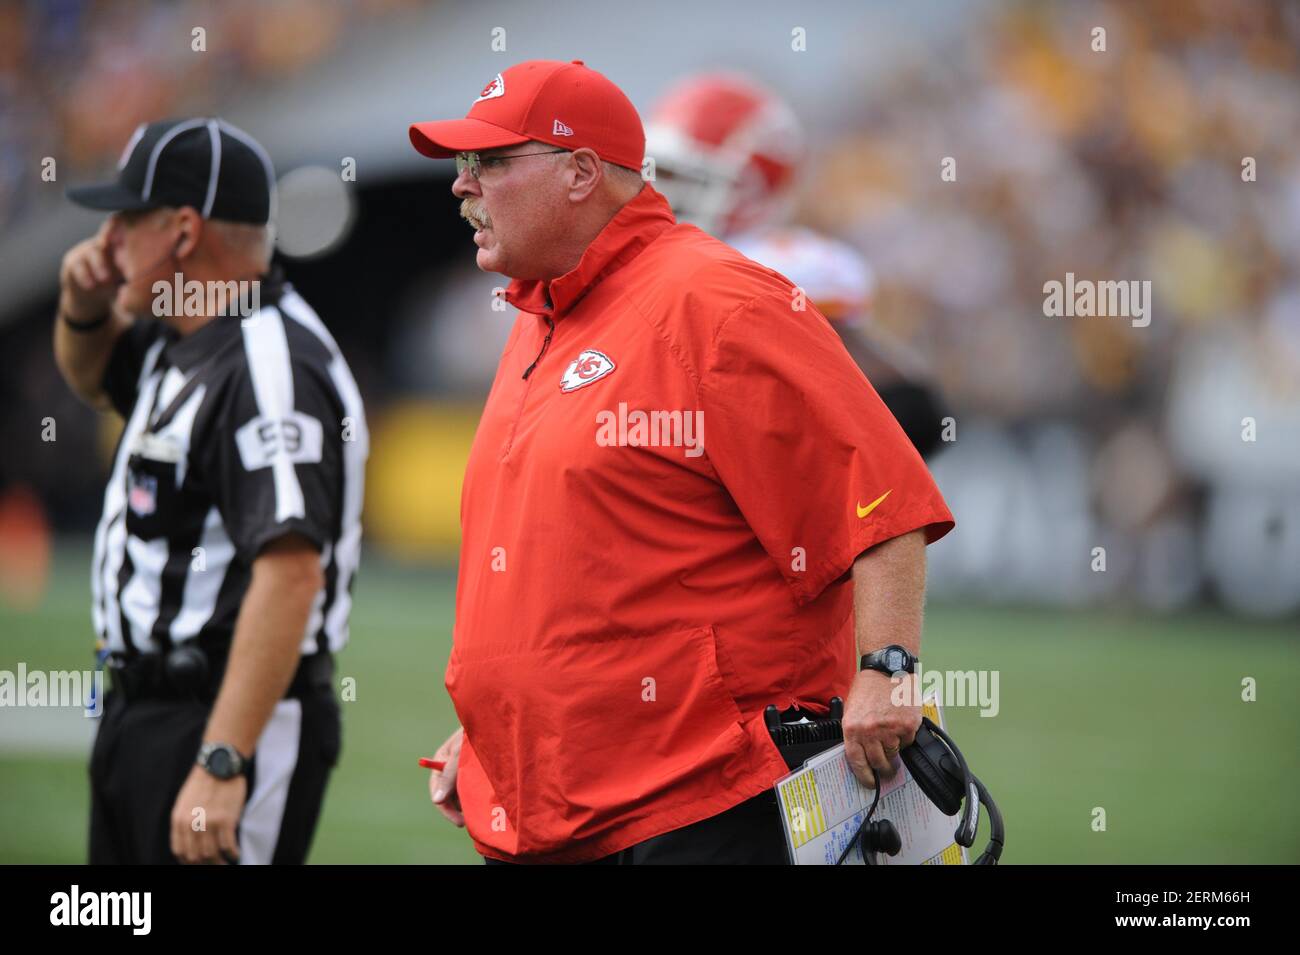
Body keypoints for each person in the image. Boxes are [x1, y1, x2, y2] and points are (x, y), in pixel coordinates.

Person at [411, 60, 954, 864]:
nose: (463, 186)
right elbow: (575, 562)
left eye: (488, 163)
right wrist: (501, 722)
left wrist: (888, 670)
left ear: (581, 173)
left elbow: (881, 500)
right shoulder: (542, 317)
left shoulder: (718, 302)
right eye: (463, 164)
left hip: (700, 800)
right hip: (563, 800)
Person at [55, 117, 368, 864]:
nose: (111, 237)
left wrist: (223, 757)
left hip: (226, 717)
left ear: (183, 231)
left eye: (129, 217)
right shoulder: (185, 331)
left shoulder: (268, 363)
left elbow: (291, 573)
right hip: (145, 709)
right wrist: (83, 304)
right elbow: (94, 377)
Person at [645, 72, 949, 458]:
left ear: (748, 188)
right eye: (659, 170)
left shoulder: (782, 267)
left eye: (681, 176)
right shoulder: (664, 260)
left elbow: (911, 417)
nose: (659, 190)